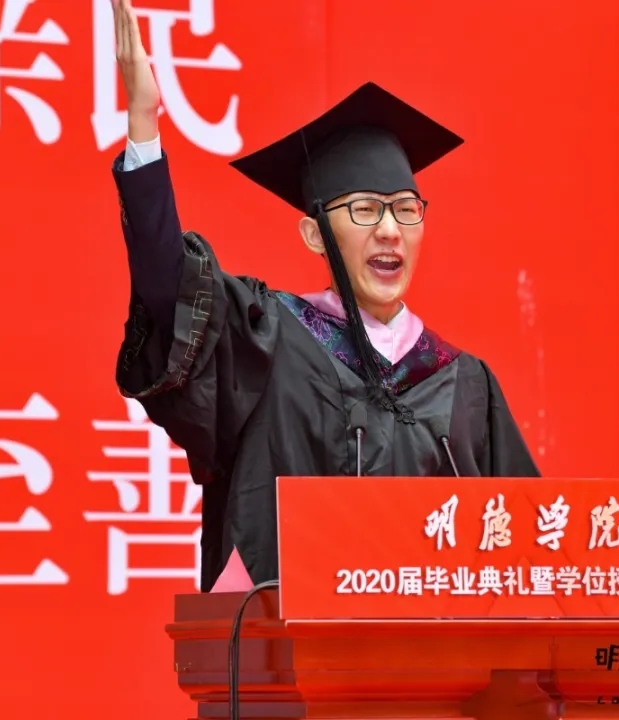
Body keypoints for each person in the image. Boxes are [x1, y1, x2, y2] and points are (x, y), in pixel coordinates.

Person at [108, 0, 540, 593]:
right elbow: (168, 291)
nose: (389, 230)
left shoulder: (465, 384)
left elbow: (528, 547)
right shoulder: (266, 339)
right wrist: (143, 126)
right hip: (288, 641)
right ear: (314, 234)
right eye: (364, 210)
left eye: (405, 210)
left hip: (432, 651)